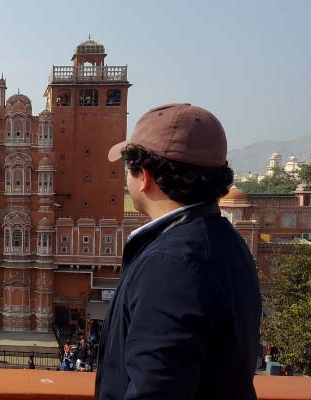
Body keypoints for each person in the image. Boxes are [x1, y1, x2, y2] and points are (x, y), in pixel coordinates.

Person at [95, 103, 262, 400]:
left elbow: (156, 390)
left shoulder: (170, 265)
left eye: (128, 168)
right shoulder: (227, 242)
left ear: (145, 176)